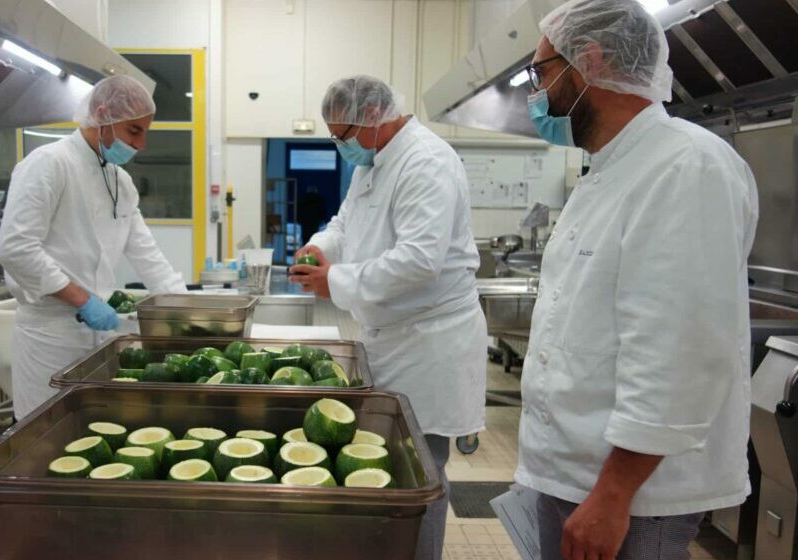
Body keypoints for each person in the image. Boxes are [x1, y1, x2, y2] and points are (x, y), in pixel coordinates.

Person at [514, 1, 759, 558]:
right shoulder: (609, 168)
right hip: (573, 475)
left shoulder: (686, 165)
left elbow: (679, 350)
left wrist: (613, 495)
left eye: (542, 72)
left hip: (634, 498)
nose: (536, 93)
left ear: (591, 62)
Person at [290, 75, 487, 560]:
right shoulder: (375, 161)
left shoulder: (426, 161)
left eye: (344, 135)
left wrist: (334, 281)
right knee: (392, 461)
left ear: (374, 117)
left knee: (421, 472)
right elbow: (346, 222)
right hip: (393, 334)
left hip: (430, 342)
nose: (342, 146)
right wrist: (321, 247)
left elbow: (420, 260)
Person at [0, 75, 187, 419]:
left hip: (100, 338)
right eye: (134, 131)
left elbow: (147, 255)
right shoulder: (49, 163)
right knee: (45, 431)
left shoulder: (120, 181)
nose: (141, 144)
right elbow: (16, 248)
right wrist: (83, 299)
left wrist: (184, 308)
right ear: (103, 115)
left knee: (90, 431)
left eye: (145, 132)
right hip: (50, 336)